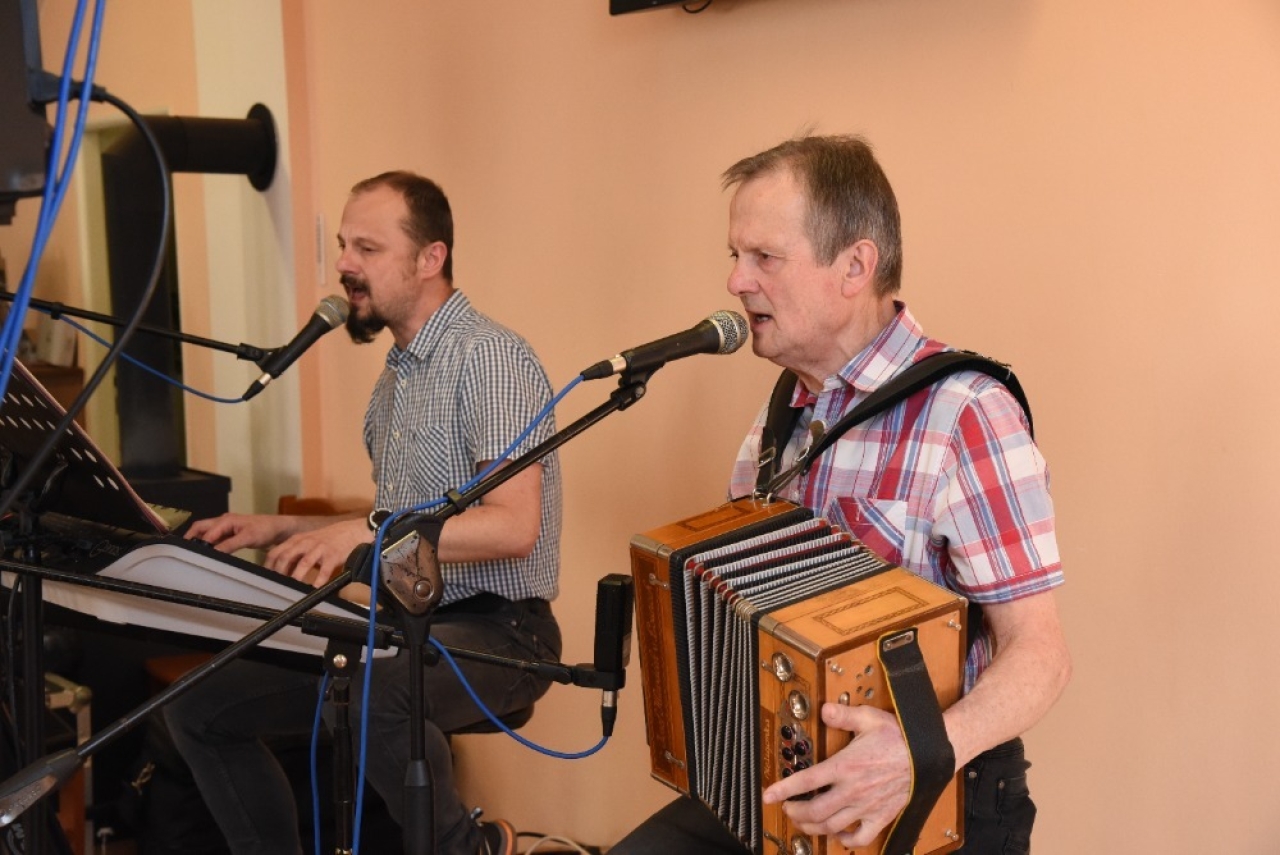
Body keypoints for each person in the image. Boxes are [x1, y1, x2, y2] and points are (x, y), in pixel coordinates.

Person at [611, 135, 1071, 855]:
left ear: (855, 265)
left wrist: (916, 753)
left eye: (764, 257)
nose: (736, 281)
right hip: (791, 788)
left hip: (933, 798)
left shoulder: (965, 413)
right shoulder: (779, 421)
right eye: (735, 255)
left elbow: (1041, 655)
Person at [165, 170, 562, 855]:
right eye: (344, 246)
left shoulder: (488, 357)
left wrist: (368, 531)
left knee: (375, 695)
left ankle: (470, 850)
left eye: (368, 249)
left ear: (430, 258)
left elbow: (513, 526)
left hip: (504, 633)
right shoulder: (395, 382)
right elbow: (397, 517)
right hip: (402, 630)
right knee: (200, 705)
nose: (345, 265)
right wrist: (277, 527)